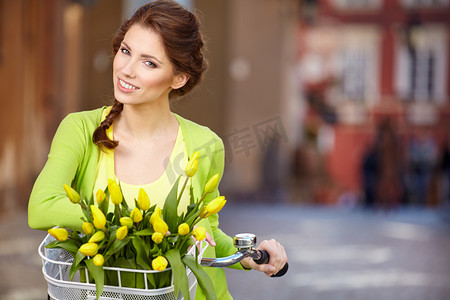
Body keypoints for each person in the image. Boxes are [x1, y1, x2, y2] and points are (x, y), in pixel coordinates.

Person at [28, 1, 287, 299]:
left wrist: (249, 256)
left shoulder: (204, 144)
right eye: (126, 51)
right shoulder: (80, 129)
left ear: (178, 78)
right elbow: (41, 208)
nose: (126, 70)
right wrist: (141, 223)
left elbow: (206, 235)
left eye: (149, 63)